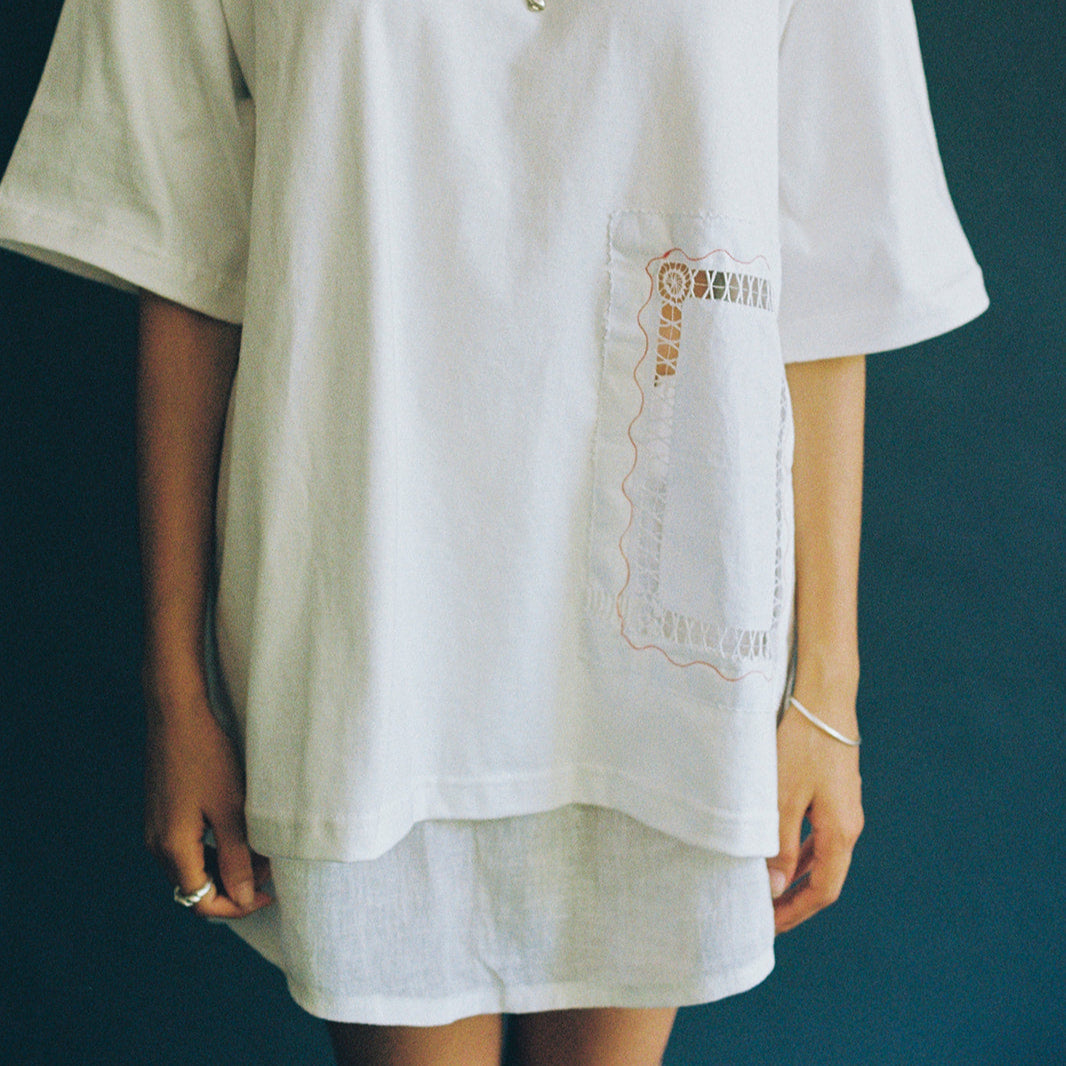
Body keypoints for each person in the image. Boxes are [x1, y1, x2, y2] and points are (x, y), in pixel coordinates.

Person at [0, 1, 987, 1063]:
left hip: (664, 660)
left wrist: (826, 698)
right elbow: (184, 256)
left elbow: (831, 274)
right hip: (367, 626)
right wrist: (176, 689)